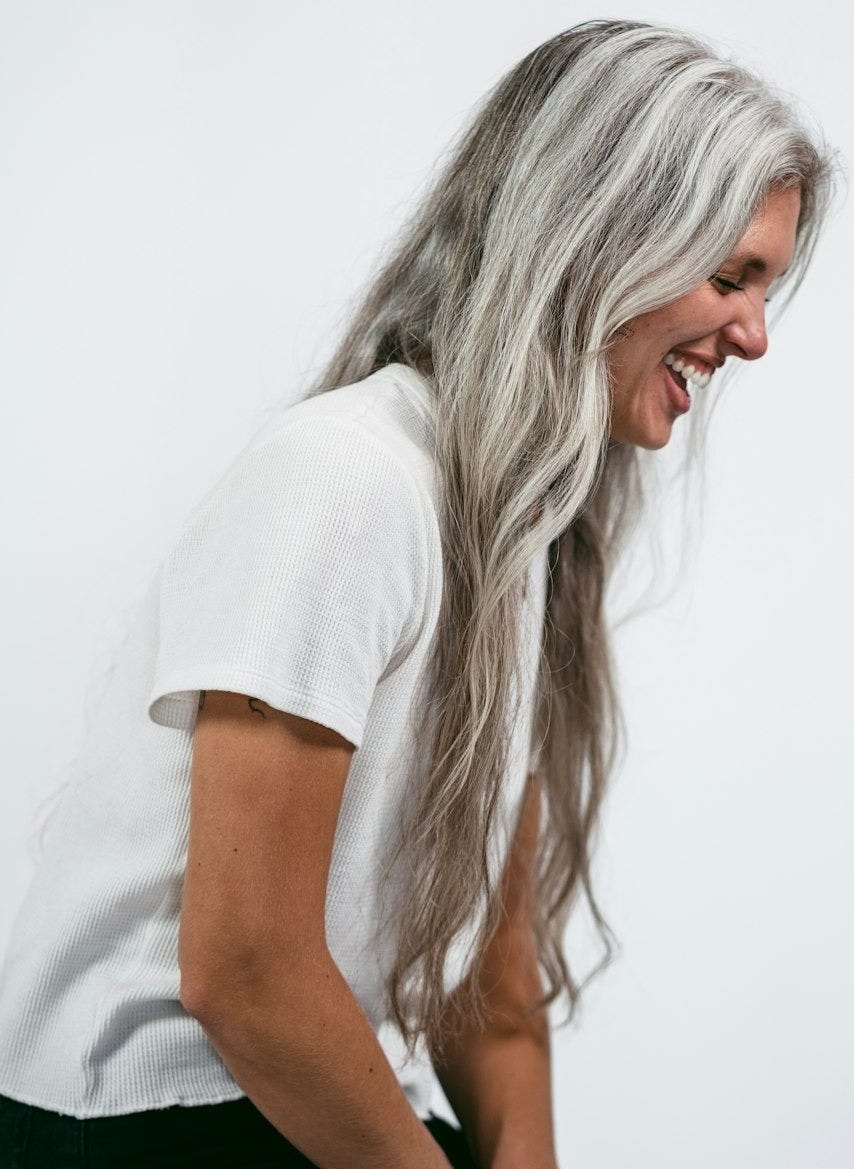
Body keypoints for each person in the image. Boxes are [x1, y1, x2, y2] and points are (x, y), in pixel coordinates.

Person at [0, 17, 839, 1169]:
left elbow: (491, 986)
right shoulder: (348, 481)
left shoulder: (526, 545)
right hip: (162, 1120)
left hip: (331, 1106)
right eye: (728, 274)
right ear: (597, 240)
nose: (750, 336)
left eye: (764, 289)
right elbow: (242, 970)